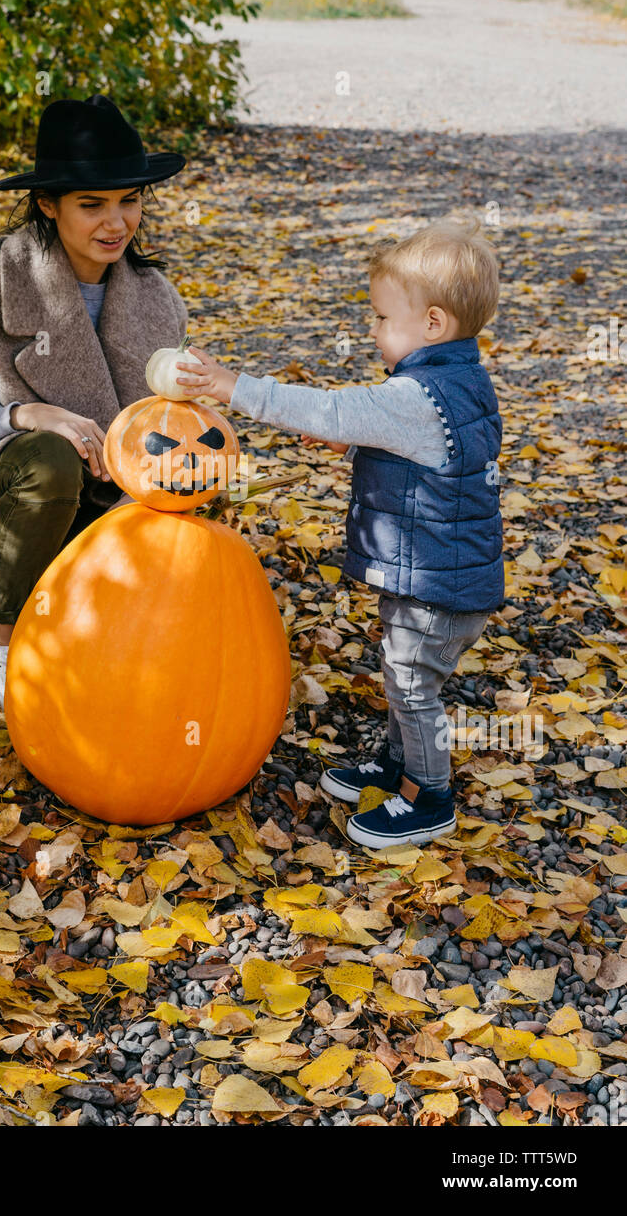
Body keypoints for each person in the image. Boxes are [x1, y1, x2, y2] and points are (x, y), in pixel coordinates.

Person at [175, 218, 504, 849]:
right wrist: (361, 440)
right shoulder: (458, 379)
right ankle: (397, 764)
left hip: (437, 583)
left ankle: (429, 796)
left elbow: (333, 409)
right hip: (441, 569)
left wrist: (230, 387)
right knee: (404, 673)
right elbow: (418, 449)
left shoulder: (415, 395)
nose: (372, 330)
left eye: (381, 319)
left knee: (412, 683)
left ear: (432, 324)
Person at [0, 94, 187, 714]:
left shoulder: (157, 298)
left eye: (129, 200)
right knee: (51, 456)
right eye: (91, 204)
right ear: (47, 205)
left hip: (101, 514)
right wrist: (24, 415)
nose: (116, 223)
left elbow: (167, 428)